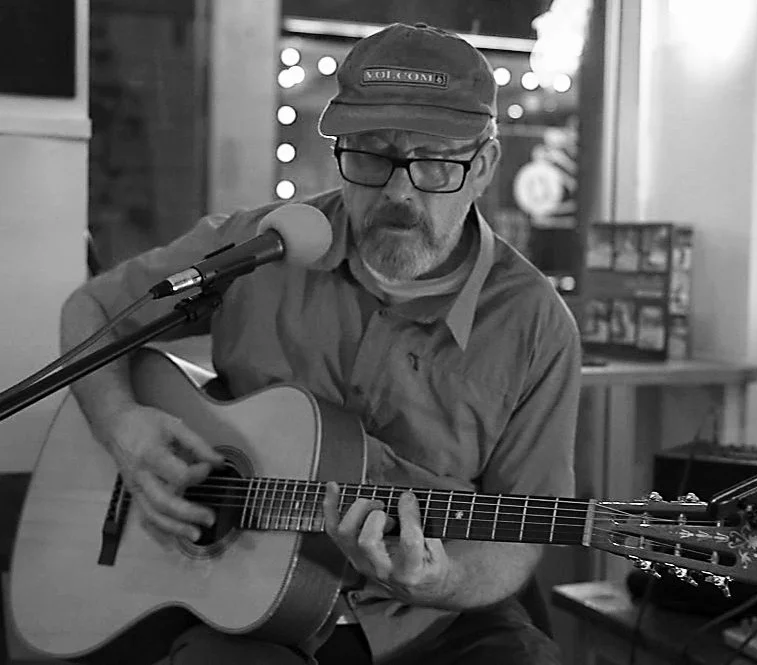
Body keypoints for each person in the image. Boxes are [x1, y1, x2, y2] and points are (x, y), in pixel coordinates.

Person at [60, 22, 581, 665]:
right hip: (239, 605)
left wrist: (438, 580)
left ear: (485, 166)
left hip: (429, 624)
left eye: (435, 162)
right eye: (370, 155)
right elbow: (93, 310)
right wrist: (121, 426)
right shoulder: (264, 245)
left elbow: (522, 531)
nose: (398, 191)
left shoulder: (535, 325)